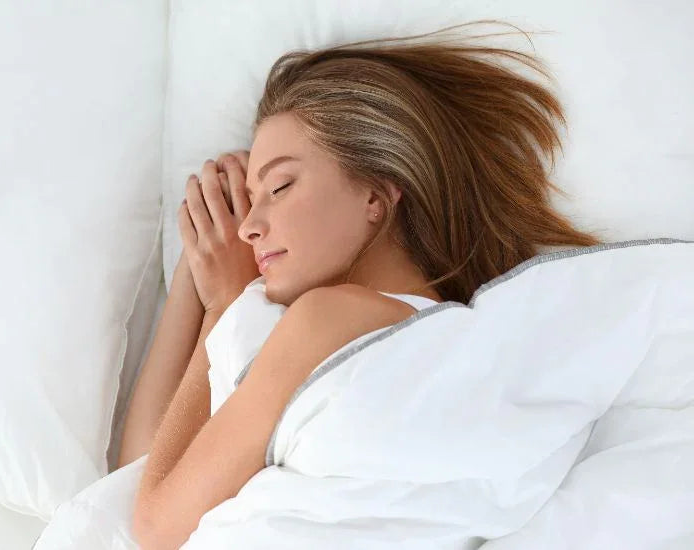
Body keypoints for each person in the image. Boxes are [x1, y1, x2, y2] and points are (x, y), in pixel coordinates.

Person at [119, 20, 600, 549]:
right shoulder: (428, 336)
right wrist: (203, 283)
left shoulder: (327, 319)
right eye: (248, 201)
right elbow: (136, 480)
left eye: (279, 186)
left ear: (375, 194)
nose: (248, 226)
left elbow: (153, 525)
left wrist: (224, 305)